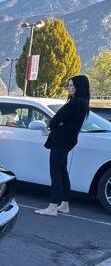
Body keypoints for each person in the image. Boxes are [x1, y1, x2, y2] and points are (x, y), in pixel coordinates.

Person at [35, 75, 90, 216]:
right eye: (69, 85)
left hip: (61, 142)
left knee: (55, 172)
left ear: (79, 87)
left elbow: (54, 122)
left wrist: (59, 123)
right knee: (62, 171)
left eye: (72, 85)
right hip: (67, 141)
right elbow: (59, 122)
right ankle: (64, 204)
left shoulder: (75, 103)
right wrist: (60, 123)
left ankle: (52, 206)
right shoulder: (82, 103)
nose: (69, 88)